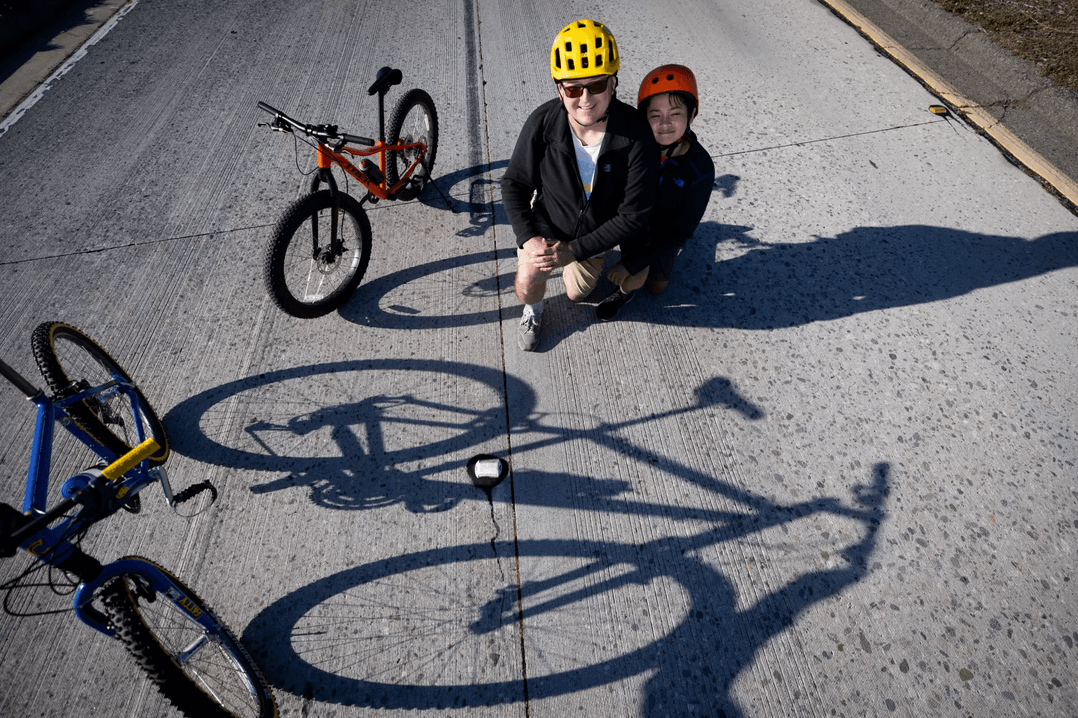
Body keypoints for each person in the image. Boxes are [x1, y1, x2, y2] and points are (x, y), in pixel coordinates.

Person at [501, 19, 658, 351]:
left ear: (613, 84)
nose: (585, 99)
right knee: (528, 283)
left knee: (576, 294)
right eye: (573, 89)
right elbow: (514, 183)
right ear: (560, 88)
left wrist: (575, 251)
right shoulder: (542, 123)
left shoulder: (638, 135)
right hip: (548, 224)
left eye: (597, 85)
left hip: (593, 236)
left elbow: (633, 216)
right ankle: (533, 309)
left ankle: (585, 265)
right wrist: (528, 238)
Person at [594, 64, 715, 320]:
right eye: (655, 115)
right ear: (644, 117)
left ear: (692, 114)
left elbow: (681, 232)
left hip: (664, 236)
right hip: (631, 226)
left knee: (656, 287)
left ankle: (628, 289)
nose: (665, 124)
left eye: (675, 113)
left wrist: (632, 263)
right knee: (635, 276)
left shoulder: (700, 168)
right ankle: (623, 292)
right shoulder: (632, 146)